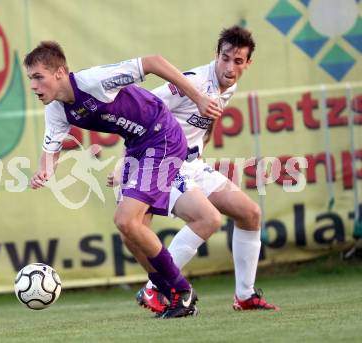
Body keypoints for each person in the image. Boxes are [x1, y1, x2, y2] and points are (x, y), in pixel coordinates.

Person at [23, 41, 222, 318]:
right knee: (131, 233)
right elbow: (50, 153)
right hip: (137, 147)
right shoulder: (56, 110)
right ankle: (166, 292)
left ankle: (181, 290)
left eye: (38, 77)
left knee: (125, 219)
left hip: (162, 135)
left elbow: (152, 61)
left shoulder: (94, 81)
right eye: (30, 79)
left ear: (60, 72)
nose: (33, 86)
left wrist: (199, 98)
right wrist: (43, 171)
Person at [108, 25, 278, 313]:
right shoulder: (193, 82)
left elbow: (200, 125)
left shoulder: (229, 86)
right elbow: (143, 110)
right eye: (225, 58)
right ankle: (156, 288)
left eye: (238, 61)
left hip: (191, 164)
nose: (230, 66)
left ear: (248, 63)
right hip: (164, 163)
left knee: (250, 214)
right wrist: (126, 160)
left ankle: (245, 296)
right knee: (208, 220)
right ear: (217, 55)